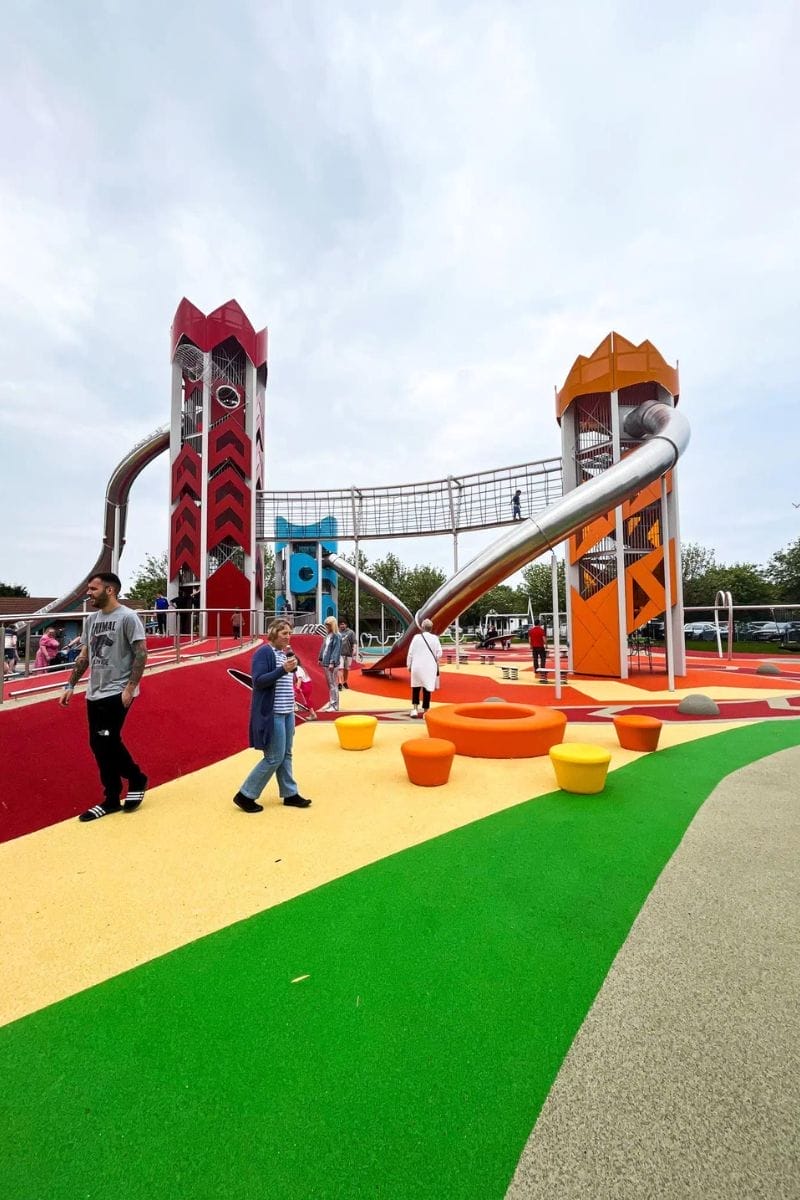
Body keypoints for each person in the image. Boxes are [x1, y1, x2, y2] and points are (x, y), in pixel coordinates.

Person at [59, 572, 149, 823]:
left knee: (105, 740)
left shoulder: (128, 617)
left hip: (116, 691)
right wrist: (70, 684)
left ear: (110, 590)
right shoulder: (91, 620)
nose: (88, 593)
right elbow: (85, 656)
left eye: (93, 589)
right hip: (94, 692)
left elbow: (141, 654)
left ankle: (122, 788)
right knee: (100, 743)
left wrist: (130, 688)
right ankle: (125, 786)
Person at [231, 619, 311, 812]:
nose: (288, 636)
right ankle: (245, 794)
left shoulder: (284, 654)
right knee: (274, 757)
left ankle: (290, 793)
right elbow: (258, 681)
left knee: (287, 754)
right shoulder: (264, 653)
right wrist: (282, 670)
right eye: (284, 633)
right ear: (274, 633)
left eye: (290, 633)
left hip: (286, 711)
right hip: (273, 712)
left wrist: (288, 668)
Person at [406, 618, 442, 718]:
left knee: (416, 687)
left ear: (422, 627)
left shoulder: (416, 638)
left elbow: (410, 653)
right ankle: (426, 711)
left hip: (417, 666)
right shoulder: (435, 638)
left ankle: (415, 709)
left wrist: (409, 665)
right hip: (429, 667)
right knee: (427, 688)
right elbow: (439, 653)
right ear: (431, 628)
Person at [318, 615, 342, 712]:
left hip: (332, 664)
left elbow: (336, 650)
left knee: (333, 684)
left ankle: (335, 705)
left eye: (328, 625)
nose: (326, 626)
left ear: (333, 625)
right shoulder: (328, 635)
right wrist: (320, 658)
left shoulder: (337, 636)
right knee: (330, 684)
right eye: (326, 625)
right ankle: (331, 702)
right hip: (326, 662)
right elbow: (324, 648)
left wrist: (332, 662)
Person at [337, 619, 356, 689]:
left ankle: (345, 681)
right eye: (341, 624)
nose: (342, 625)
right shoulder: (337, 632)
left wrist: (354, 649)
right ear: (339, 625)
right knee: (340, 668)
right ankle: (339, 683)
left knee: (346, 669)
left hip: (348, 653)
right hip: (339, 654)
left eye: (343, 624)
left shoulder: (350, 632)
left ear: (346, 625)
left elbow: (354, 642)